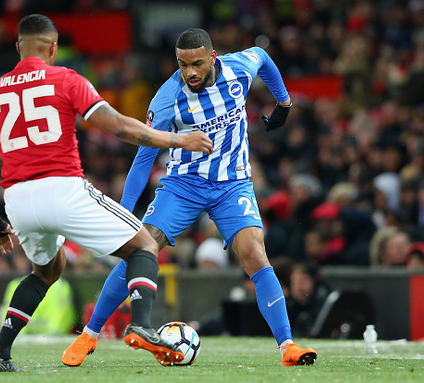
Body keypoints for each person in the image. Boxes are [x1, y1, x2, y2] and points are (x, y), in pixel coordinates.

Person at [63, 28, 318, 367]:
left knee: (255, 253)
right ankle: (89, 335)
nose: (191, 73)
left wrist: (283, 101)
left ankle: (288, 347)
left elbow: (265, 58)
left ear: (213, 57)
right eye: (183, 65)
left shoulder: (240, 66)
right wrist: (124, 212)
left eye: (197, 63)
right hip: (184, 185)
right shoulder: (167, 99)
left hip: (233, 184)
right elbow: (143, 159)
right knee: (141, 249)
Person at [0, 15, 213, 373]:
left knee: (47, 270)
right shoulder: (66, 78)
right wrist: (180, 139)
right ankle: (142, 324)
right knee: (145, 246)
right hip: (63, 188)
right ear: (53, 47)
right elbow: (117, 126)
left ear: (18, 48)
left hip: (18, 199)